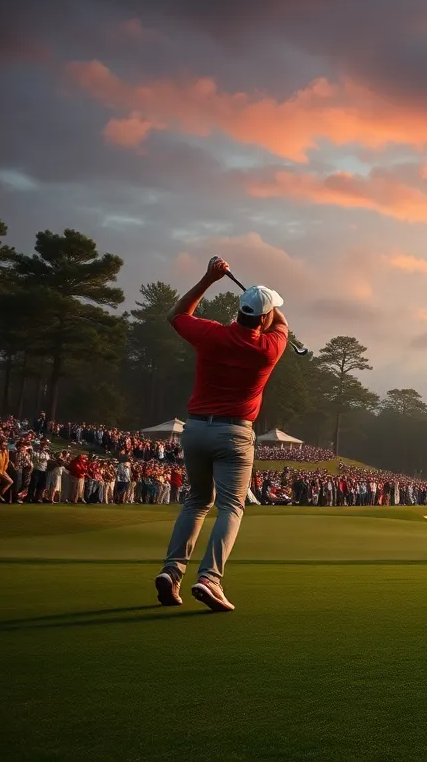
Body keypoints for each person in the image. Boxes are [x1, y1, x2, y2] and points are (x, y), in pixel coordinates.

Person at [155, 257, 288, 613]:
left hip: (196, 428)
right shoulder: (269, 348)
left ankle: (172, 571)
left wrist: (209, 278)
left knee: (197, 501)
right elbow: (281, 323)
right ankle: (210, 578)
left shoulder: (212, 334)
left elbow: (176, 315)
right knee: (231, 505)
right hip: (235, 433)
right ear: (264, 318)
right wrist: (269, 307)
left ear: (238, 311)